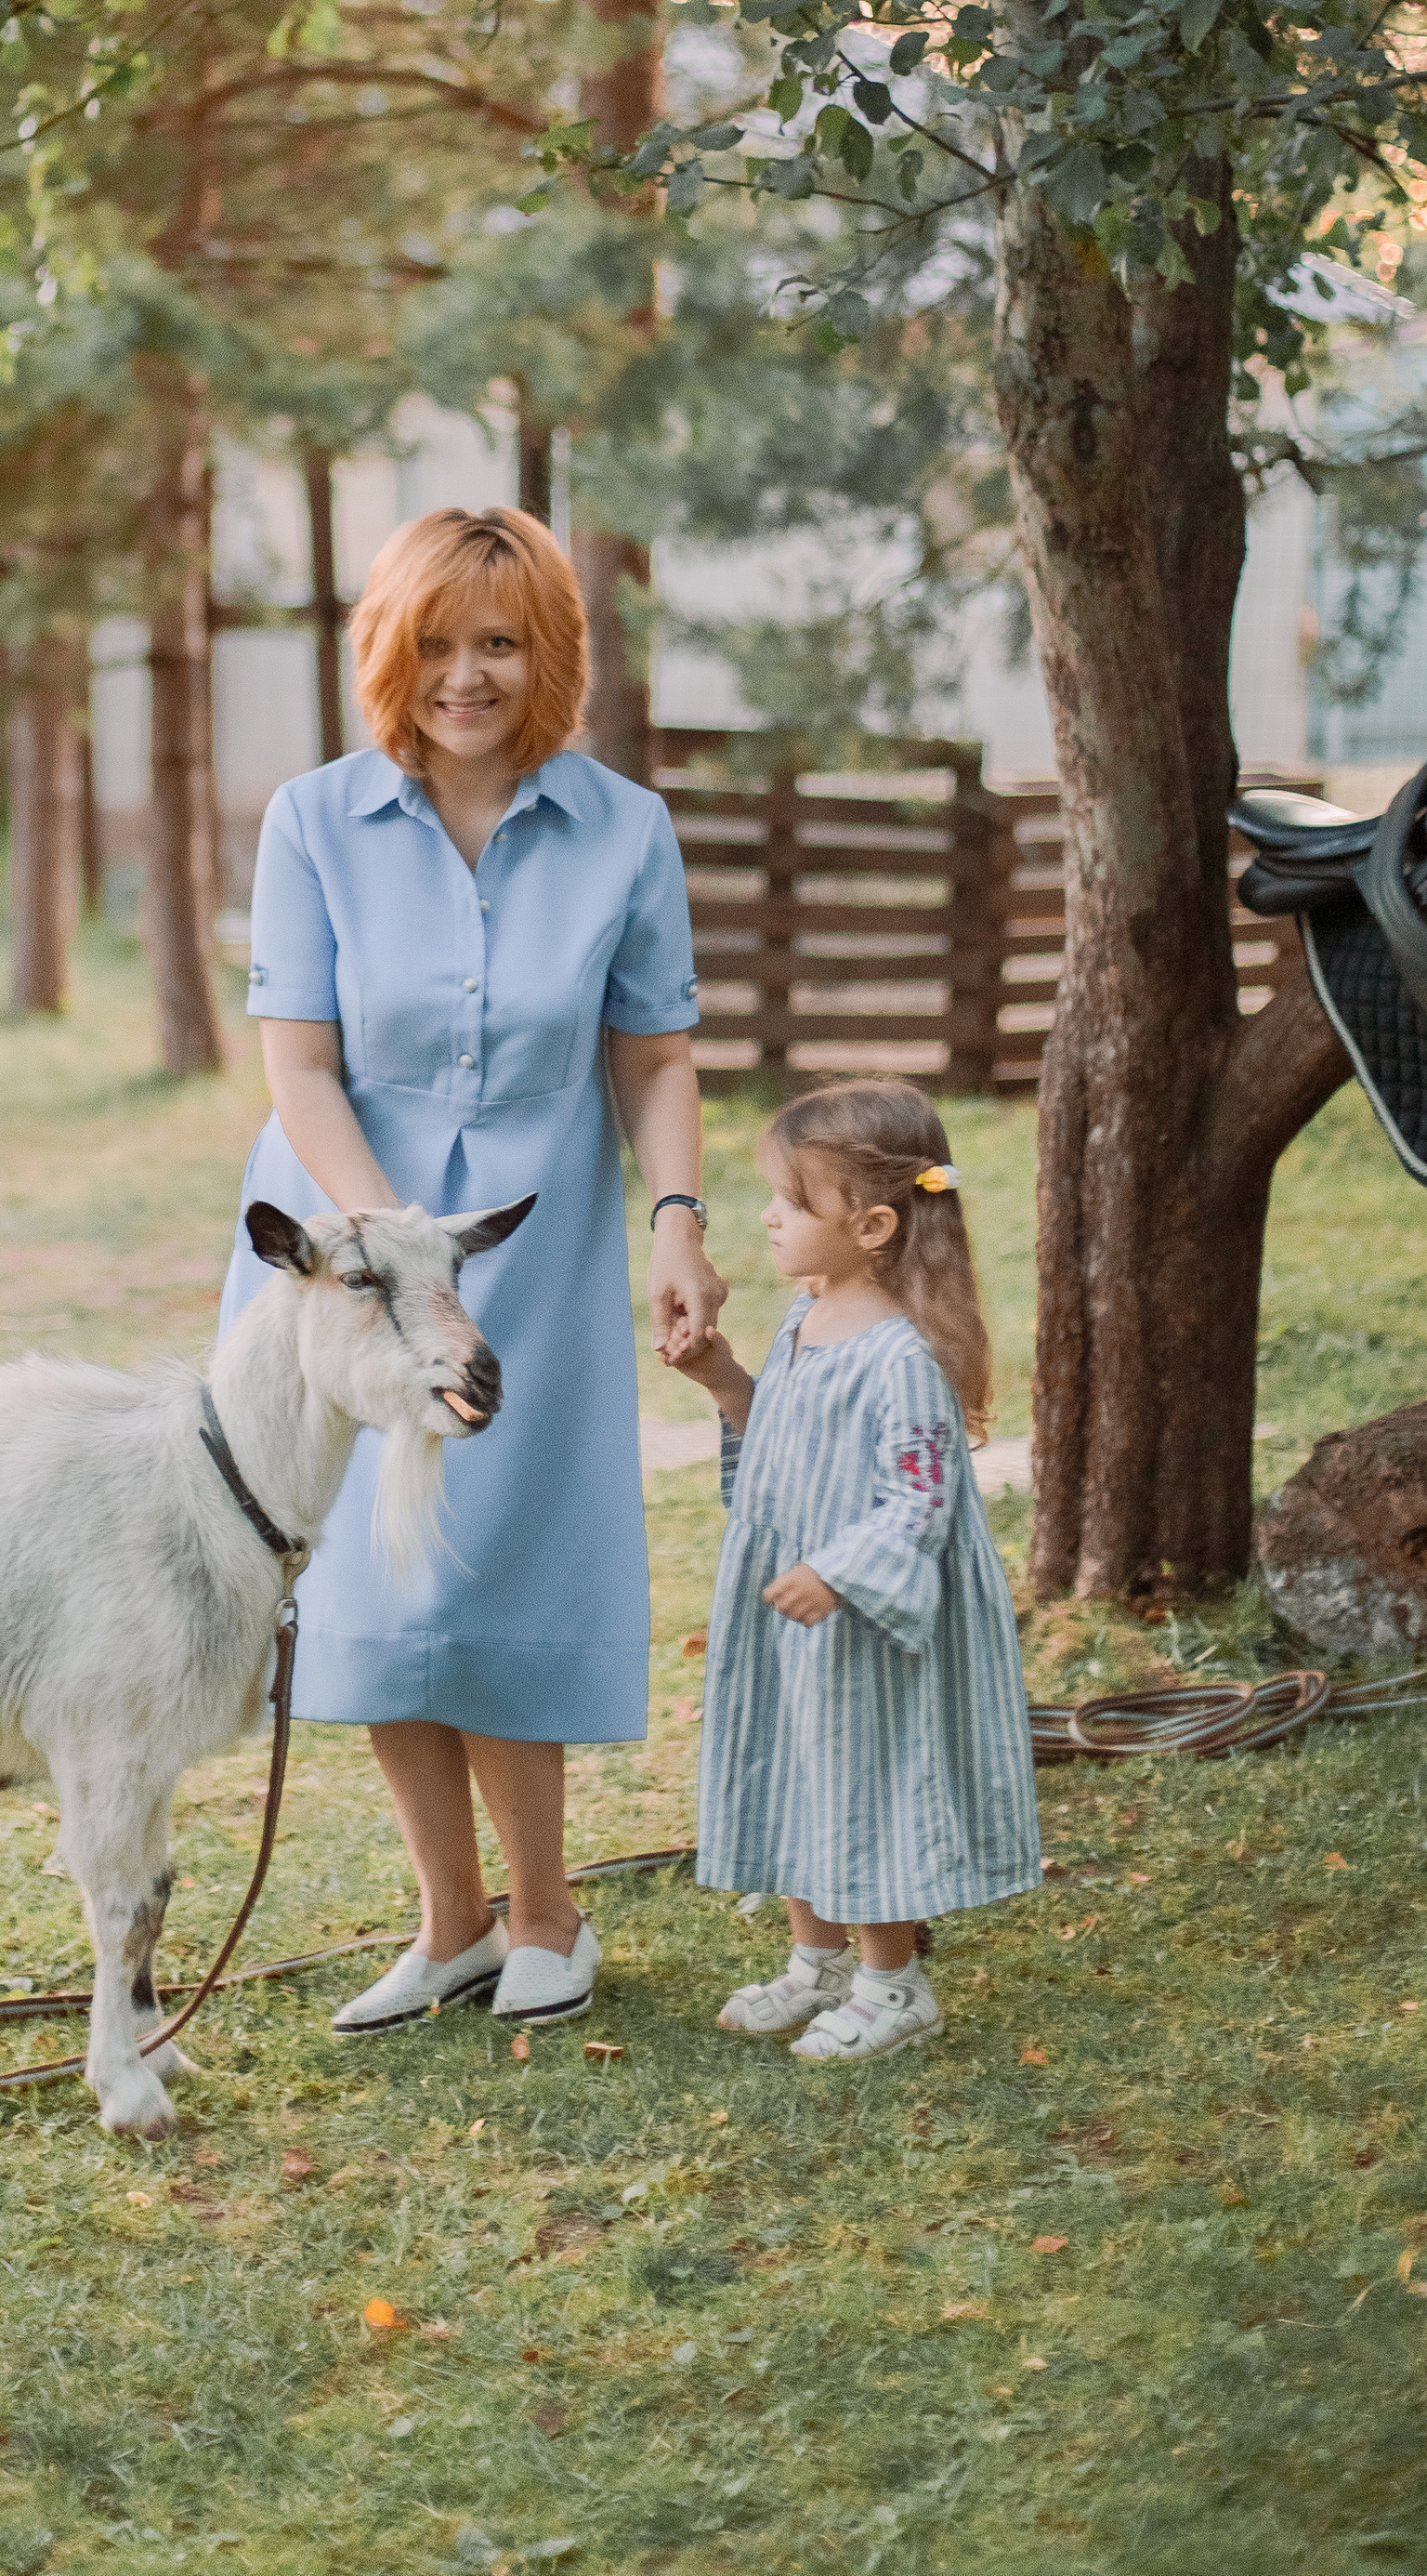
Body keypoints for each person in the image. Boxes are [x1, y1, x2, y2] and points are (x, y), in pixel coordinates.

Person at [215, 504, 724, 2036]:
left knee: (505, 1556)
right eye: (434, 643)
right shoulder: (313, 821)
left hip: (537, 1243)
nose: (465, 675)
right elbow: (301, 1067)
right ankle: (449, 1925)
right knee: (372, 1578)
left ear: (548, 654)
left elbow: (655, 1054)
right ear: (390, 652)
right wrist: (383, 1254)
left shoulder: (625, 828)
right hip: (345, 1245)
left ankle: (549, 1918)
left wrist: (679, 1216)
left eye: (498, 642)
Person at [675, 1077, 1041, 2062]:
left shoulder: (901, 1358)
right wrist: (721, 1381)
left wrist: (839, 1573)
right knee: (795, 1769)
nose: (768, 1217)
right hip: (795, 1609)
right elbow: (782, 1440)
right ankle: (818, 1961)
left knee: (863, 1785)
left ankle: (893, 1984)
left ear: (873, 1223)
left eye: (792, 1204)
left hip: (866, 1622)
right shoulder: (806, 1317)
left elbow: (918, 1502)